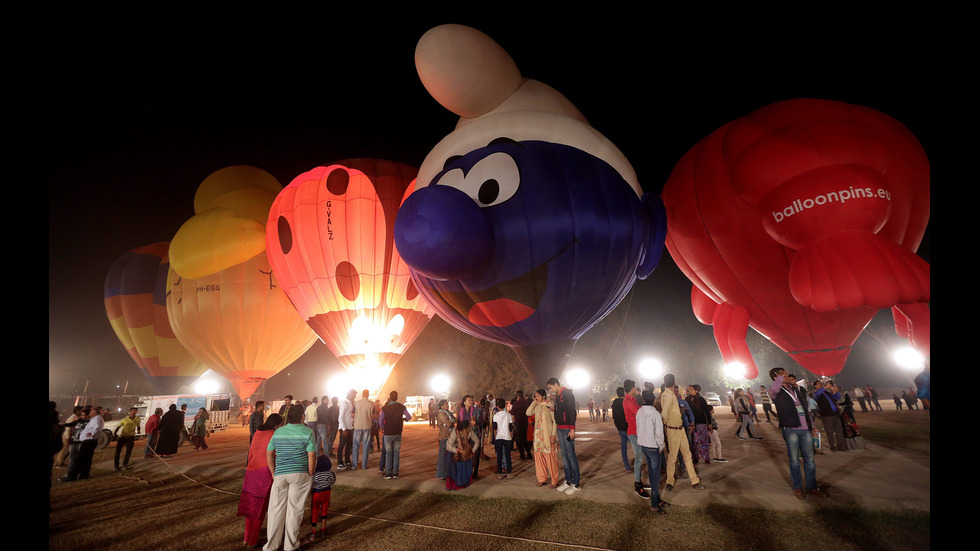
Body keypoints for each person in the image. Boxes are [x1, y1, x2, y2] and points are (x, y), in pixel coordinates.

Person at [768, 367, 828, 499]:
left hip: (805, 428)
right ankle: (798, 488)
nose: (786, 374)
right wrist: (781, 377)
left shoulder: (795, 388)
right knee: (794, 460)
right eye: (782, 373)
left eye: (786, 372)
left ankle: (812, 487)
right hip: (790, 429)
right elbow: (775, 389)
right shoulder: (775, 391)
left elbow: (804, 407)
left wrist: (811, 425)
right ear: (775, 377)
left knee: (810, 460)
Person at [263, 404, 315, 551]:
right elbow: (311, 454)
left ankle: (271, 545)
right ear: (303, 416)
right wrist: (311, 472)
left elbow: (269, 453)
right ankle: (290, 545)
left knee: (275, 509)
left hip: (280, 474)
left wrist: (274, 472)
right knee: (295, 509)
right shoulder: (308, 432)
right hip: (300, 473)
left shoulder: (278, 432)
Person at [238, 413, 283, 548]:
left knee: (251, 506)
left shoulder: (258, 432)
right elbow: (275, 454)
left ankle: (246, 538)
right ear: (276, 425)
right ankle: (252, 541)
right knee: (260, 507)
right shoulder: (274, 435)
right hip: (264, 471)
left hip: (251, 470)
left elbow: (251, 452)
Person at [660, 376, 704, 492]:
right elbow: (663, 415)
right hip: (673, 430)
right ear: (674, 382)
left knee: (687, 454)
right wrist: (660, 432)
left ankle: (694, 480)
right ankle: (670, 481)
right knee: (673, 457)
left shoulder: (669, 394)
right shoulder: (668, 396)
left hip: (679, 429)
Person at [636, 389, 669, 515]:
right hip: (654, 448)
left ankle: (658, 500)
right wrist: (661, 446)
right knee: (655, 477)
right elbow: (659, 434)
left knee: (652, 473)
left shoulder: (639, 412)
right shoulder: (655, 414)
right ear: (653, 400)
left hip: (644, 446)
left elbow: (638, 429)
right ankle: (655, 505)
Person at [548, 377, 581, 495]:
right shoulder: (557, 396)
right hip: (560, 429)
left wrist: (572, 429)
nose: (551, 390)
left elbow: (572, 412)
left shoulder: (567, 394)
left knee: (571, 455)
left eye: (551, 387)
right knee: (564, 455)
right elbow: (562, 410)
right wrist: (554, 409)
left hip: (567, 428)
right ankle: (568, 480)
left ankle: (576, 483)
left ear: (556, 384)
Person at [526, 388, 560, 488]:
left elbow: (555, 421)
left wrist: (553, 435)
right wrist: (533, 402)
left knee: (551, 458)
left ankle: (554, 480)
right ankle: (542, 479)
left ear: (544, 396)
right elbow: (528, 413)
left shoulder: (550, 406)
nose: (536, 397)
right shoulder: (536, 405)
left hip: (547, 436)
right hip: (537, 437)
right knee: (539, 458)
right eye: (535, 396)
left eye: (538, 396)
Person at [622, 380, 648, 498]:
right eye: (635, 388)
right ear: (631, 389)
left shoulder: (632, 400)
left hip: (638, 432)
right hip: (633, 433)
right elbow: (640, 413)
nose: (636, 390)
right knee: (638, 458)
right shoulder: (628, 401)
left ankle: (640, 482)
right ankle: (637, 485)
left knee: (641, 457)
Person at [380, 390, 412, 479]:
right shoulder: (401, 407)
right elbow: (409, 417)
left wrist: (383, 428)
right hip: (398, 432)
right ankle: (395, 473)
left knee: (388, 453)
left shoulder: (385, 408)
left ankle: (388, 473)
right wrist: (404, 419)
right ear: (397, 397)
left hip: (388, 433)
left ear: (390, 398)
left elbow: (380, 421)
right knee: (396, 452)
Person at [69, 406, 103, 480]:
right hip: (88, 441)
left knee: (81, 458)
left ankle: (72, 476)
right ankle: (83, 475)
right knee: (87, 459)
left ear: (96, 412)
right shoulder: (94, 419)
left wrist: (92, 434)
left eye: (91, 412)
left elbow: (97, 428)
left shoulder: (97, 418)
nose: (90, 413)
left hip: (89, 441)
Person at [308, 453, 336, 542]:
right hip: (327, 492)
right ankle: (323, 530)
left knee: (315, 511)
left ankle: (313, 532)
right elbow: (333, 481)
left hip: (317, 493)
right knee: (324, 510)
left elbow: (312, 483)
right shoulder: (330, 473)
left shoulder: (316, 474)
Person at [445, 419, 480, 490]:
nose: (469, 428)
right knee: (451, 462)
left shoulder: (469, 432)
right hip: (455, 451)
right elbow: (448, 446)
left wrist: (472, 452)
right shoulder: (455, 432)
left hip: (465, 451)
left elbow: (477, 441)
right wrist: (459, 451)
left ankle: (465, 482)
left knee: (468, 461)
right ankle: (452, 484)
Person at [59, 407, 91, 481]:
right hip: (74, 442)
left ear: (88, 416)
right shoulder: (79, 420)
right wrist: (61, 425)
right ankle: (69, 475)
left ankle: (80, 474)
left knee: (81, 459)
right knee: (72, 459)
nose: (81, 416)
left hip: (82, 443)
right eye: (81, 415)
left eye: (83, 415)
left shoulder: (89, 423)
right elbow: (69, 424)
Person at [813, 380, 846, 452]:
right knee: (829, 432)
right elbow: (818, 393)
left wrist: (834, 391)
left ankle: (841, 446)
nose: (821, 385)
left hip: (835, 414)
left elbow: (837, 397)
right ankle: (833, 446)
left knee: (839, 431)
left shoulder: (827, 393)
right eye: (819, 384)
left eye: (821, 383)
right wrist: (825, 387)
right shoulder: (816, 394)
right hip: (826, 416)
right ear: (815, 386)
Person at [457, 395, 485, 479]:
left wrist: (476, 423)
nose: (471, 401)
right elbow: (459, 423)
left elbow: (483, 422)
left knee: (475, 453)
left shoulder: (478, 410)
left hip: (475, 435)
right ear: (464, 402)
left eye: (471, 400)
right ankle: (467, 471)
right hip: (464, 436)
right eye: (469, 400)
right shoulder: (460, 411)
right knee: (465, 454)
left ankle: (474, 472)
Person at [686, 386, 712, 465]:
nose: (690, 391)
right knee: (694, 442)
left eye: (692, 389)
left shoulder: (701, 400)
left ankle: (706, 458)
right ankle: (695, 457)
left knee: (704, 441)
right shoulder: (687, 399)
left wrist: (709, 423)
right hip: (691, 424)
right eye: (689, 390)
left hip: (701, 423)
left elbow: (707, 412)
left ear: (696, 391)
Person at [492, 397, 514, 478]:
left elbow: (495, 428)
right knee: (508, 455)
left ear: (497, 406)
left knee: (499, 456)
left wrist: (495, 438)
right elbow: (511, 427)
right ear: (505, 406)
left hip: (499, 437)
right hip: (507, 437)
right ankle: (509, 473)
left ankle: (500, 473)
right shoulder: (509, 415)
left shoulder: (495, 416)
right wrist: (511, 436)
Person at [352, 389, 374, 471]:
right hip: (367, 426)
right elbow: (373, 416)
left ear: (362, 394)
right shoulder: (372, 404)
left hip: (357, 426)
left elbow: (352, 415)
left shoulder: (356, 403)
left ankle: (354, 465)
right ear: (368, 395)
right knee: (365, 447)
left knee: (356, 446)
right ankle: (364, 465)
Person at [611, 387, 631, 473]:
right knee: (637, 446)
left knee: (623, 448)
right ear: (624, 393)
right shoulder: (625, 403)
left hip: (620, 428)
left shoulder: (614, 404)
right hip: (627, 428)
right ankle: (640, 463)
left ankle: (627, 466)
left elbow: (614, 416)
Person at [435, 399, 456, 480]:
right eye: (446, 404)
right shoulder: (441, 413)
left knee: (449, 455)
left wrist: (451, 421)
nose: (448, 405)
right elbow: (449, 423)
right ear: (442, 406)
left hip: (450, 436)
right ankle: (441, 474)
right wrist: (450, 421)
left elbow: (454, 420)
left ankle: (448, 473)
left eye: (447, 404)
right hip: (444, 436)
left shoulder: (448, 413)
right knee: (443, 455)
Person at [510, 390, 532, 461]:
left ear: (518, 396)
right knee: (525, 439)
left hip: (519, 423)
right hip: (526, 422)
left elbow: (512, 412)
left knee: (519, 440)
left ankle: (522, 455)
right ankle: (529, 454)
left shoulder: (516, 403)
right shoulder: (527, 403)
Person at [336, 390, 355, 470]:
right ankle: (340, 463)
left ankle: (347, 461)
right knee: (341, 446)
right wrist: (344, 429)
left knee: (349, 446)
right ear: (349, 395)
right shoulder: (344, 403)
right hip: (345, 428)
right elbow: (341, 417)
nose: (355, 397)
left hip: (349, 428)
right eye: (354, 395)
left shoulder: (350, 403)